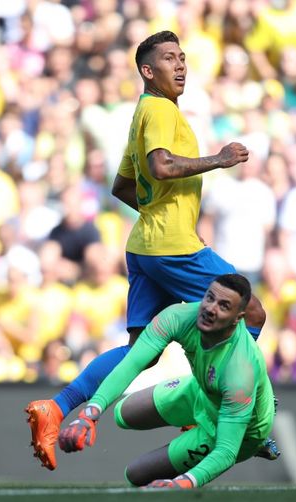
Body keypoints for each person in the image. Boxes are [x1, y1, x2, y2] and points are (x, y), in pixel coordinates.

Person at [25, 31, 269, 471]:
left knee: (142, 349)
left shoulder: (144, 112)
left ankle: (57, 408)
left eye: (182, 57)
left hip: (143, 247)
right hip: (174, 247)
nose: (180, 65)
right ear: (147, 70)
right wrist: (219, 158)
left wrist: (157, 212)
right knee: (251, 313)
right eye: (169, 59)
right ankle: (214, 411)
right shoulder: (158, 110)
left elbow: (121, 186)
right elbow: (161, 166)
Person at [57, 274, 275, 489]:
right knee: (124, 413)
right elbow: (131, 364)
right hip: (202, 391)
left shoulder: (240, 371)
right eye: (210, 298)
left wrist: (182, 484)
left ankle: (255, 440)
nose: (210, 308)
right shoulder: (178, 317)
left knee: (136, 474)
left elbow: (226, 452)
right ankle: (197, 418)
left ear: (238, 318)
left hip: (238, 430)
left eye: (224, 306)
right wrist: (89, 414)